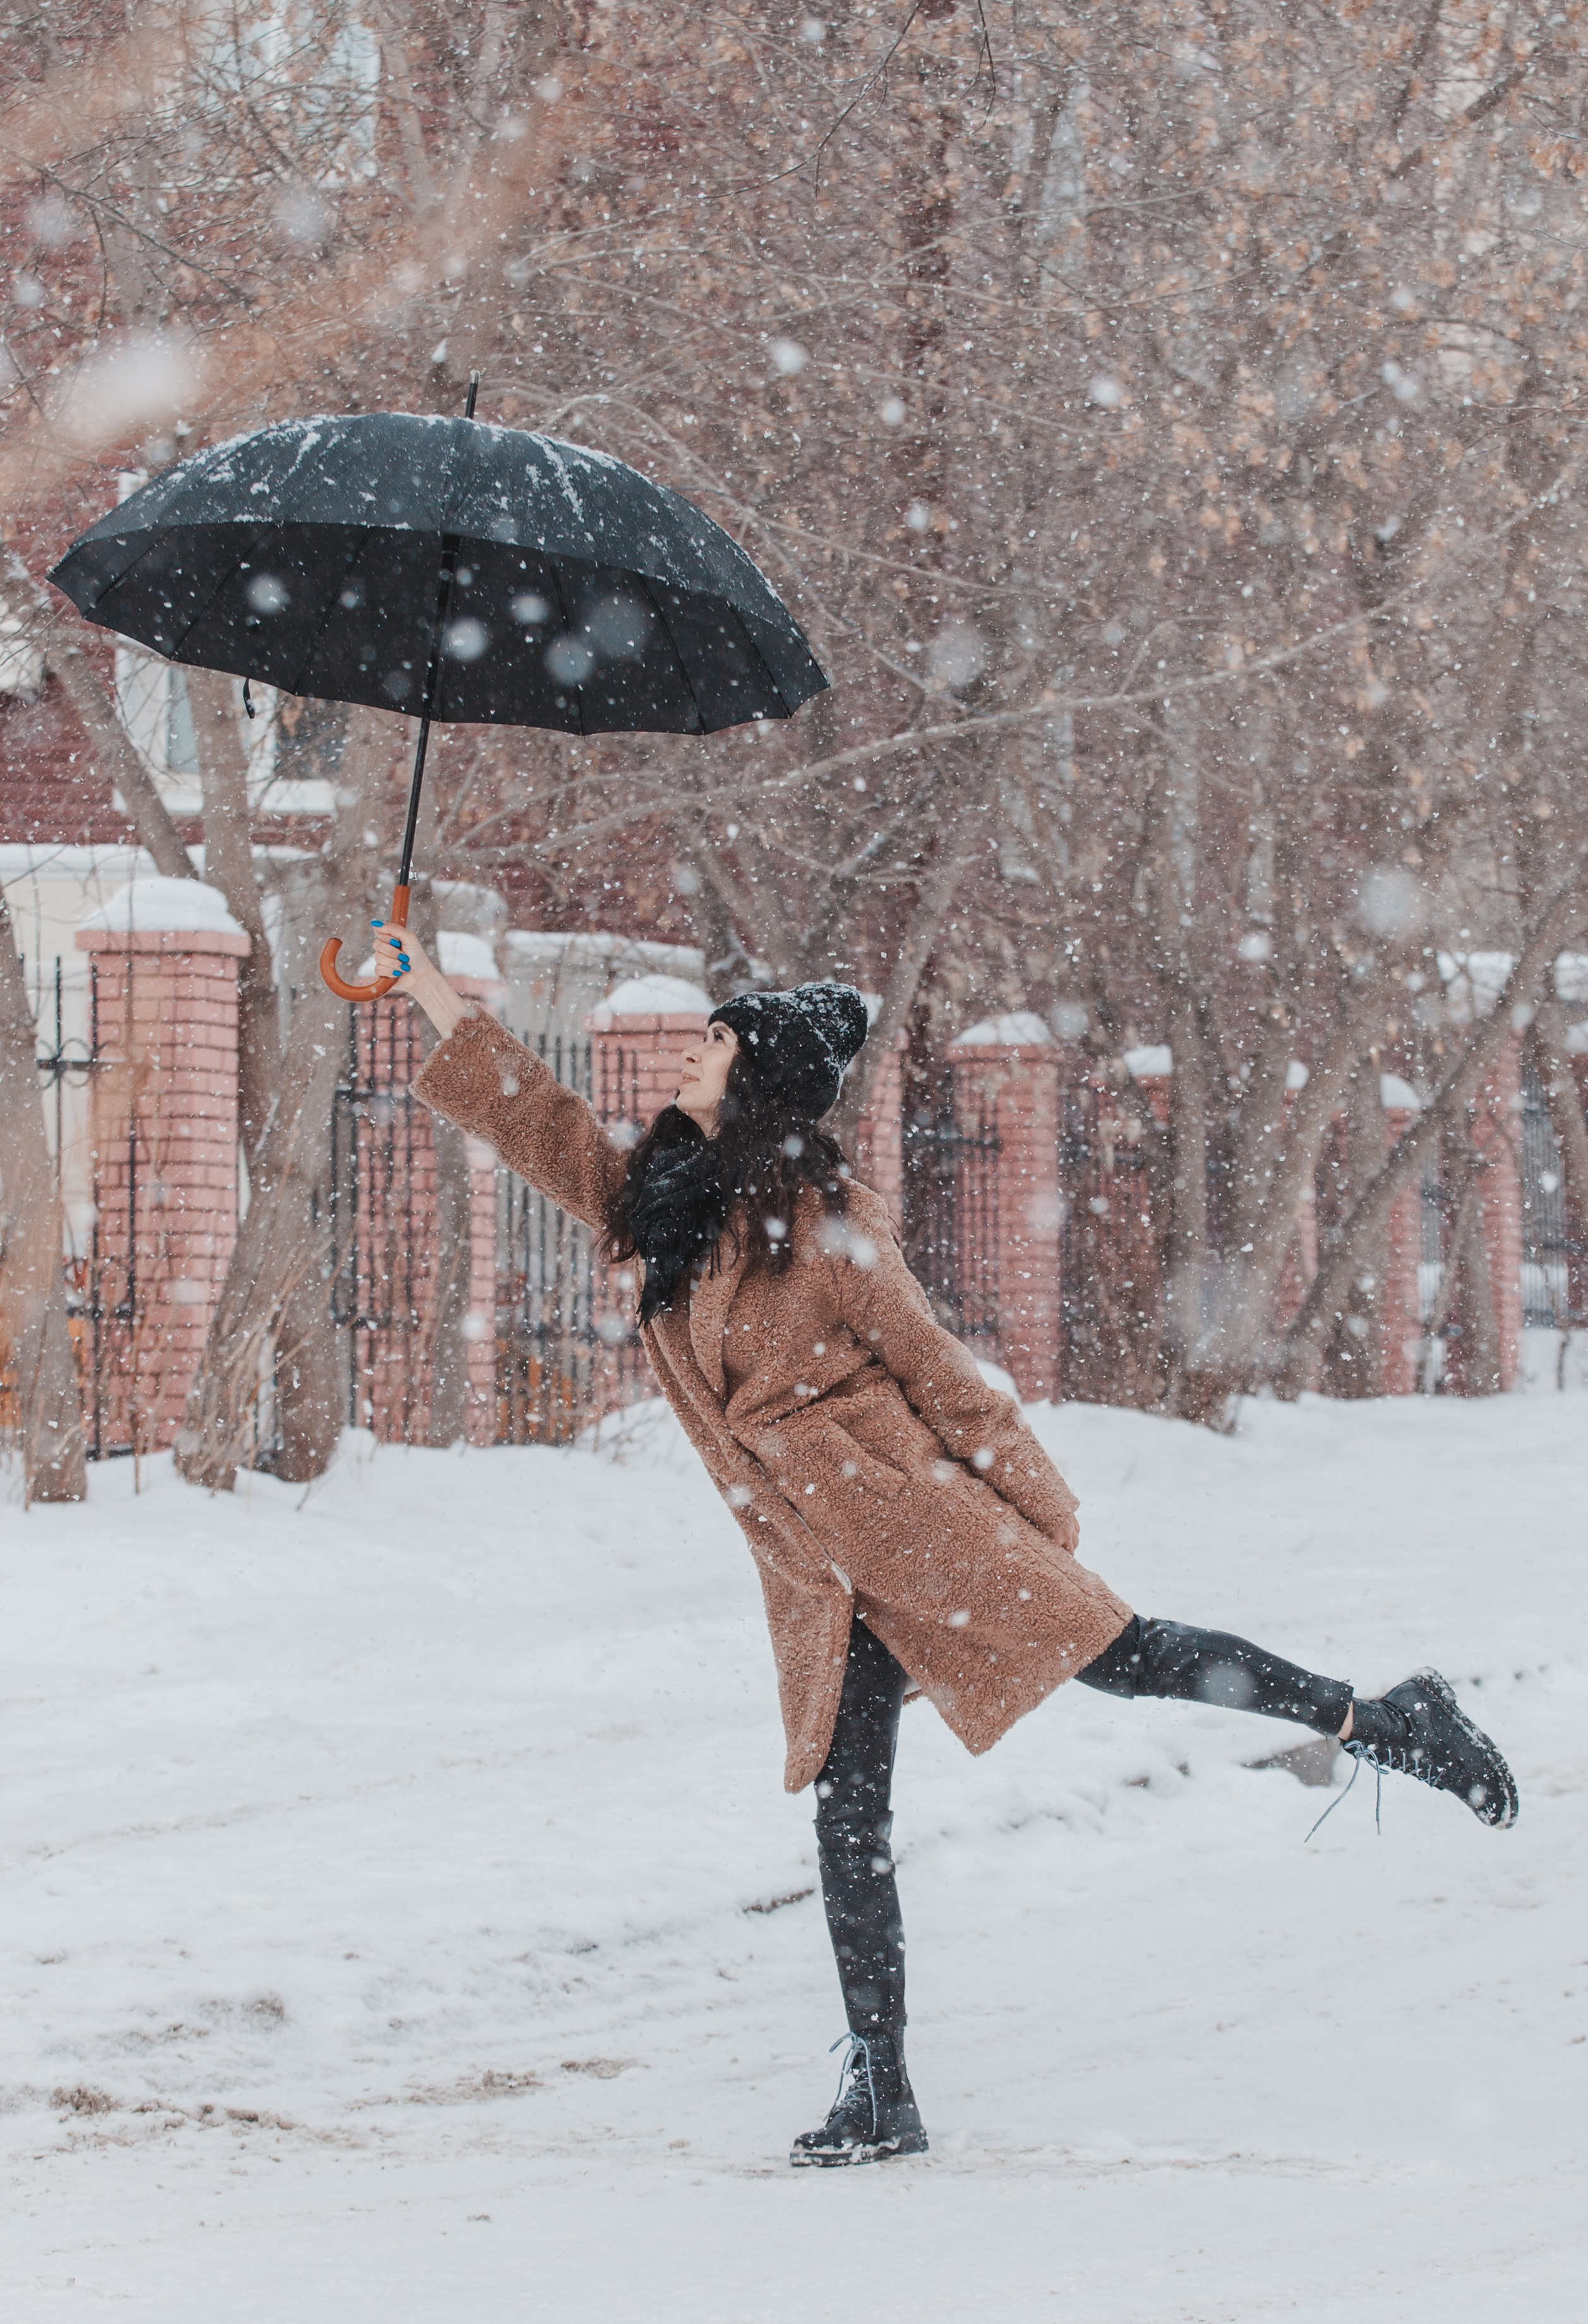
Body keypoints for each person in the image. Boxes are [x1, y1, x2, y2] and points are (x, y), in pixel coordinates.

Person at [376, 923, 1518, 2169]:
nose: (690, 1055)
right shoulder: (666, 1205)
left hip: (920, 1525)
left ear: (757, 1077)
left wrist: (1038, 1521)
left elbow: (940, 1373)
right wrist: (423, 982)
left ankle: (1385, 1717)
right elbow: (536, 1122)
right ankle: (883, 2087)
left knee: (1127, 1655)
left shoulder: (829, 1220)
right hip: (819, 1572)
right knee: (847, 1814)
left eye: (714, 1041)